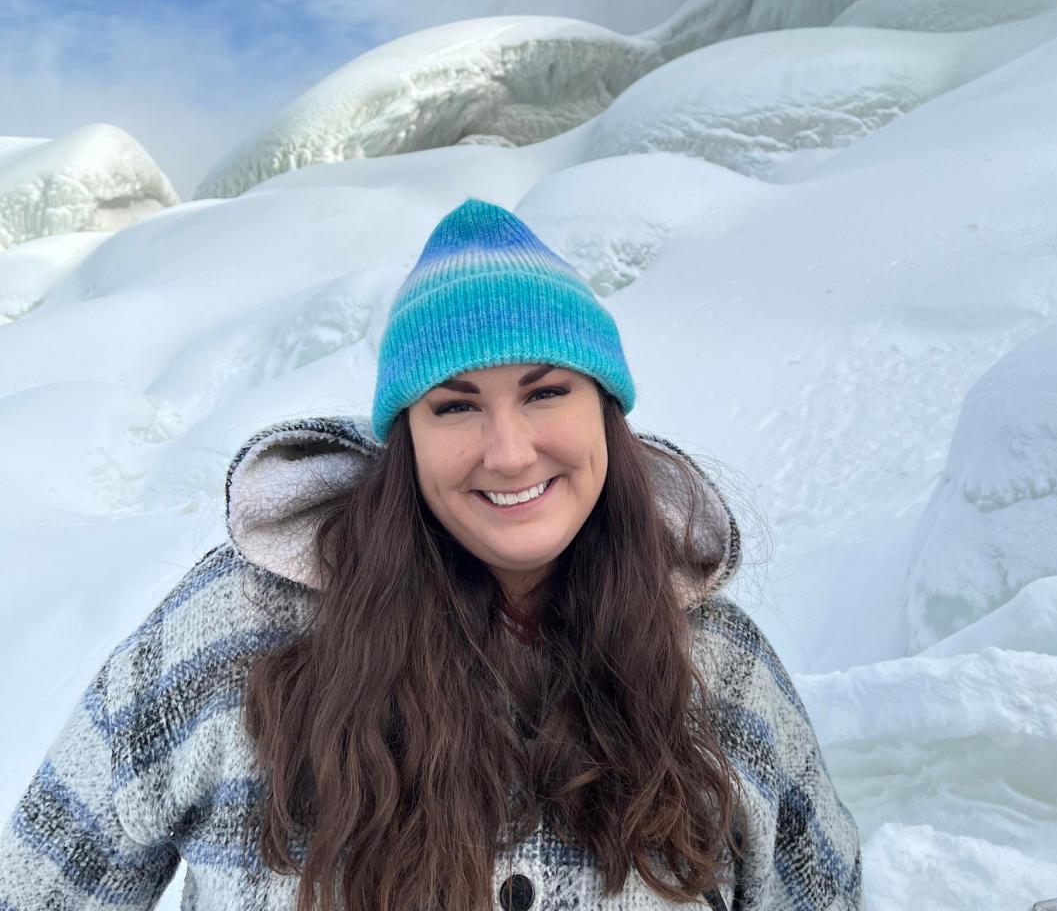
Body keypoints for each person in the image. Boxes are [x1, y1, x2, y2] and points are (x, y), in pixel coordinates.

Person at [0, 197, 862, 910]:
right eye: (456, 406)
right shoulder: (232, 635)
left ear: (607, 409)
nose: (511, 451)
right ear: (405, 437)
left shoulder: (720, 672)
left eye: (547, 391)